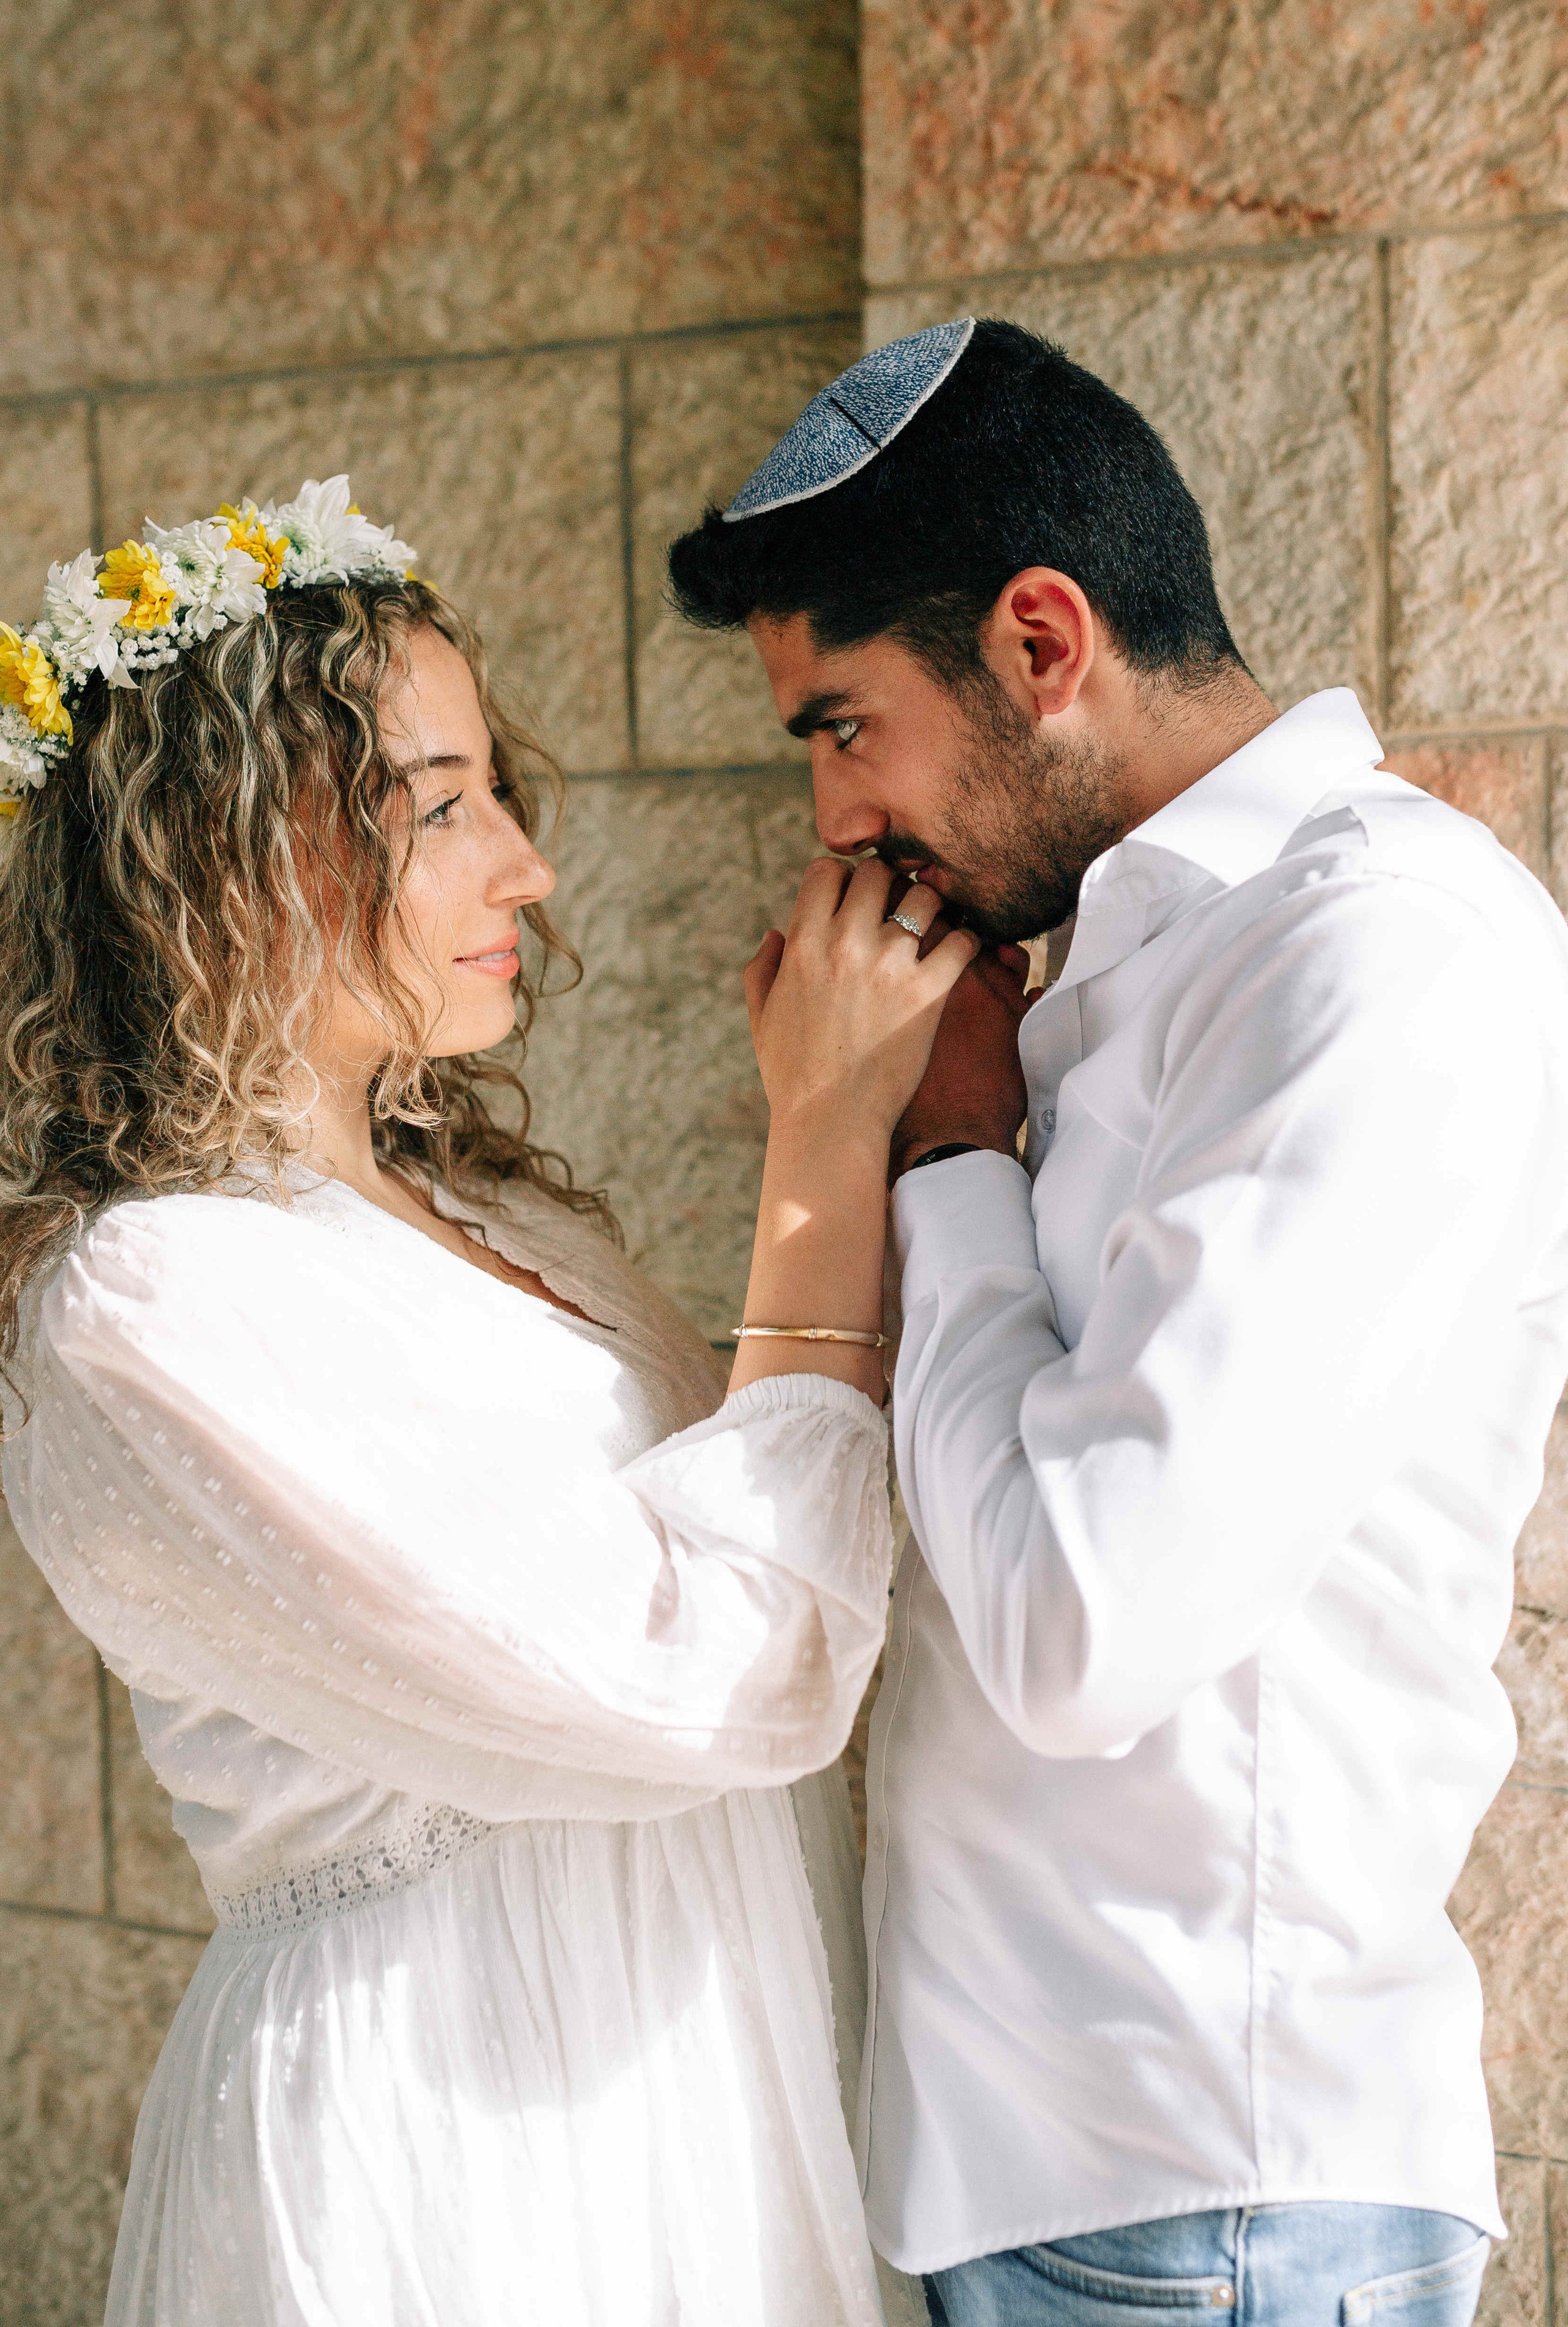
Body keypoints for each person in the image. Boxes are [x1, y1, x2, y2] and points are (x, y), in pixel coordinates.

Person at [667, 319, 1568, 2325]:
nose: (830, 819)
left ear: (1042, 643)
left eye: (840, 728)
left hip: (1208, 2202)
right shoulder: (1120, 958)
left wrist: (954, 1153)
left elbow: (1086, 1622)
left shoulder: (1374, 955)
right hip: (1052, 2176)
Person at [0, 480, 967, 2326]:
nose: (520, 863)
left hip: (696, 2077)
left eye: (493, 795)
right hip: (460, 2141)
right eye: (439, 810)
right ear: (228, 854)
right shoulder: (147, 1304)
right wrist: (826, 1140)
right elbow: (720, 1671)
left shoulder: (492, 1213)